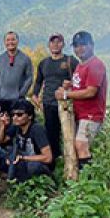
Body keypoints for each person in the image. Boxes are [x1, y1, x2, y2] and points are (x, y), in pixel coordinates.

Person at [56, 30, 107, 171]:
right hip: (80, 113)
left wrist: (66, 95)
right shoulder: (80, 65)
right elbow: (81, 86)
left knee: (81, 145)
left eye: (83, 45)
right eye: (76, 46)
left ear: (91, 45)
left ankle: (87, 182)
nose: (79, 49)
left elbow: (91, 91)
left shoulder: (95, 65)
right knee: (77, 147)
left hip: (92, 114)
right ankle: (79, 178)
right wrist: (70, 86)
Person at [31, 32, 76, 168]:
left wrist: (70, 87)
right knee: (52, 134)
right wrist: (35, 95)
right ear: (49, 45)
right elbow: (39, 81)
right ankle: (53, 164)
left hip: (66, 103)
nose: (55, 45)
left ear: (63, 44)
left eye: (58, 42)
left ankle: (72, 164)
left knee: (69, 134)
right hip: (48, 103)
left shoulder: (70, 61)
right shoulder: (44, 63)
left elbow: (79, 80)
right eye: (52, 42)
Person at [4, 99, 53, 182]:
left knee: (32, 166)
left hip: (40, 165)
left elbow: (48, 158)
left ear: (30, 116)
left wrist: (23, 158)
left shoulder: (37, 129)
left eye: (19, 114)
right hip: (26, 161)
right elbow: (1, 141)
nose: (15, 117)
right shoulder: (16, 127)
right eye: (13, 114)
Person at [0, 31, 33, 102]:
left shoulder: (25, 59)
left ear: (17, 41)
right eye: (8, 40)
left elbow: (29, 77)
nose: (10, 42)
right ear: (4, 42)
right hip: (2, 98)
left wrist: (21, 93)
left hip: (18, 99)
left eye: (13, 39)